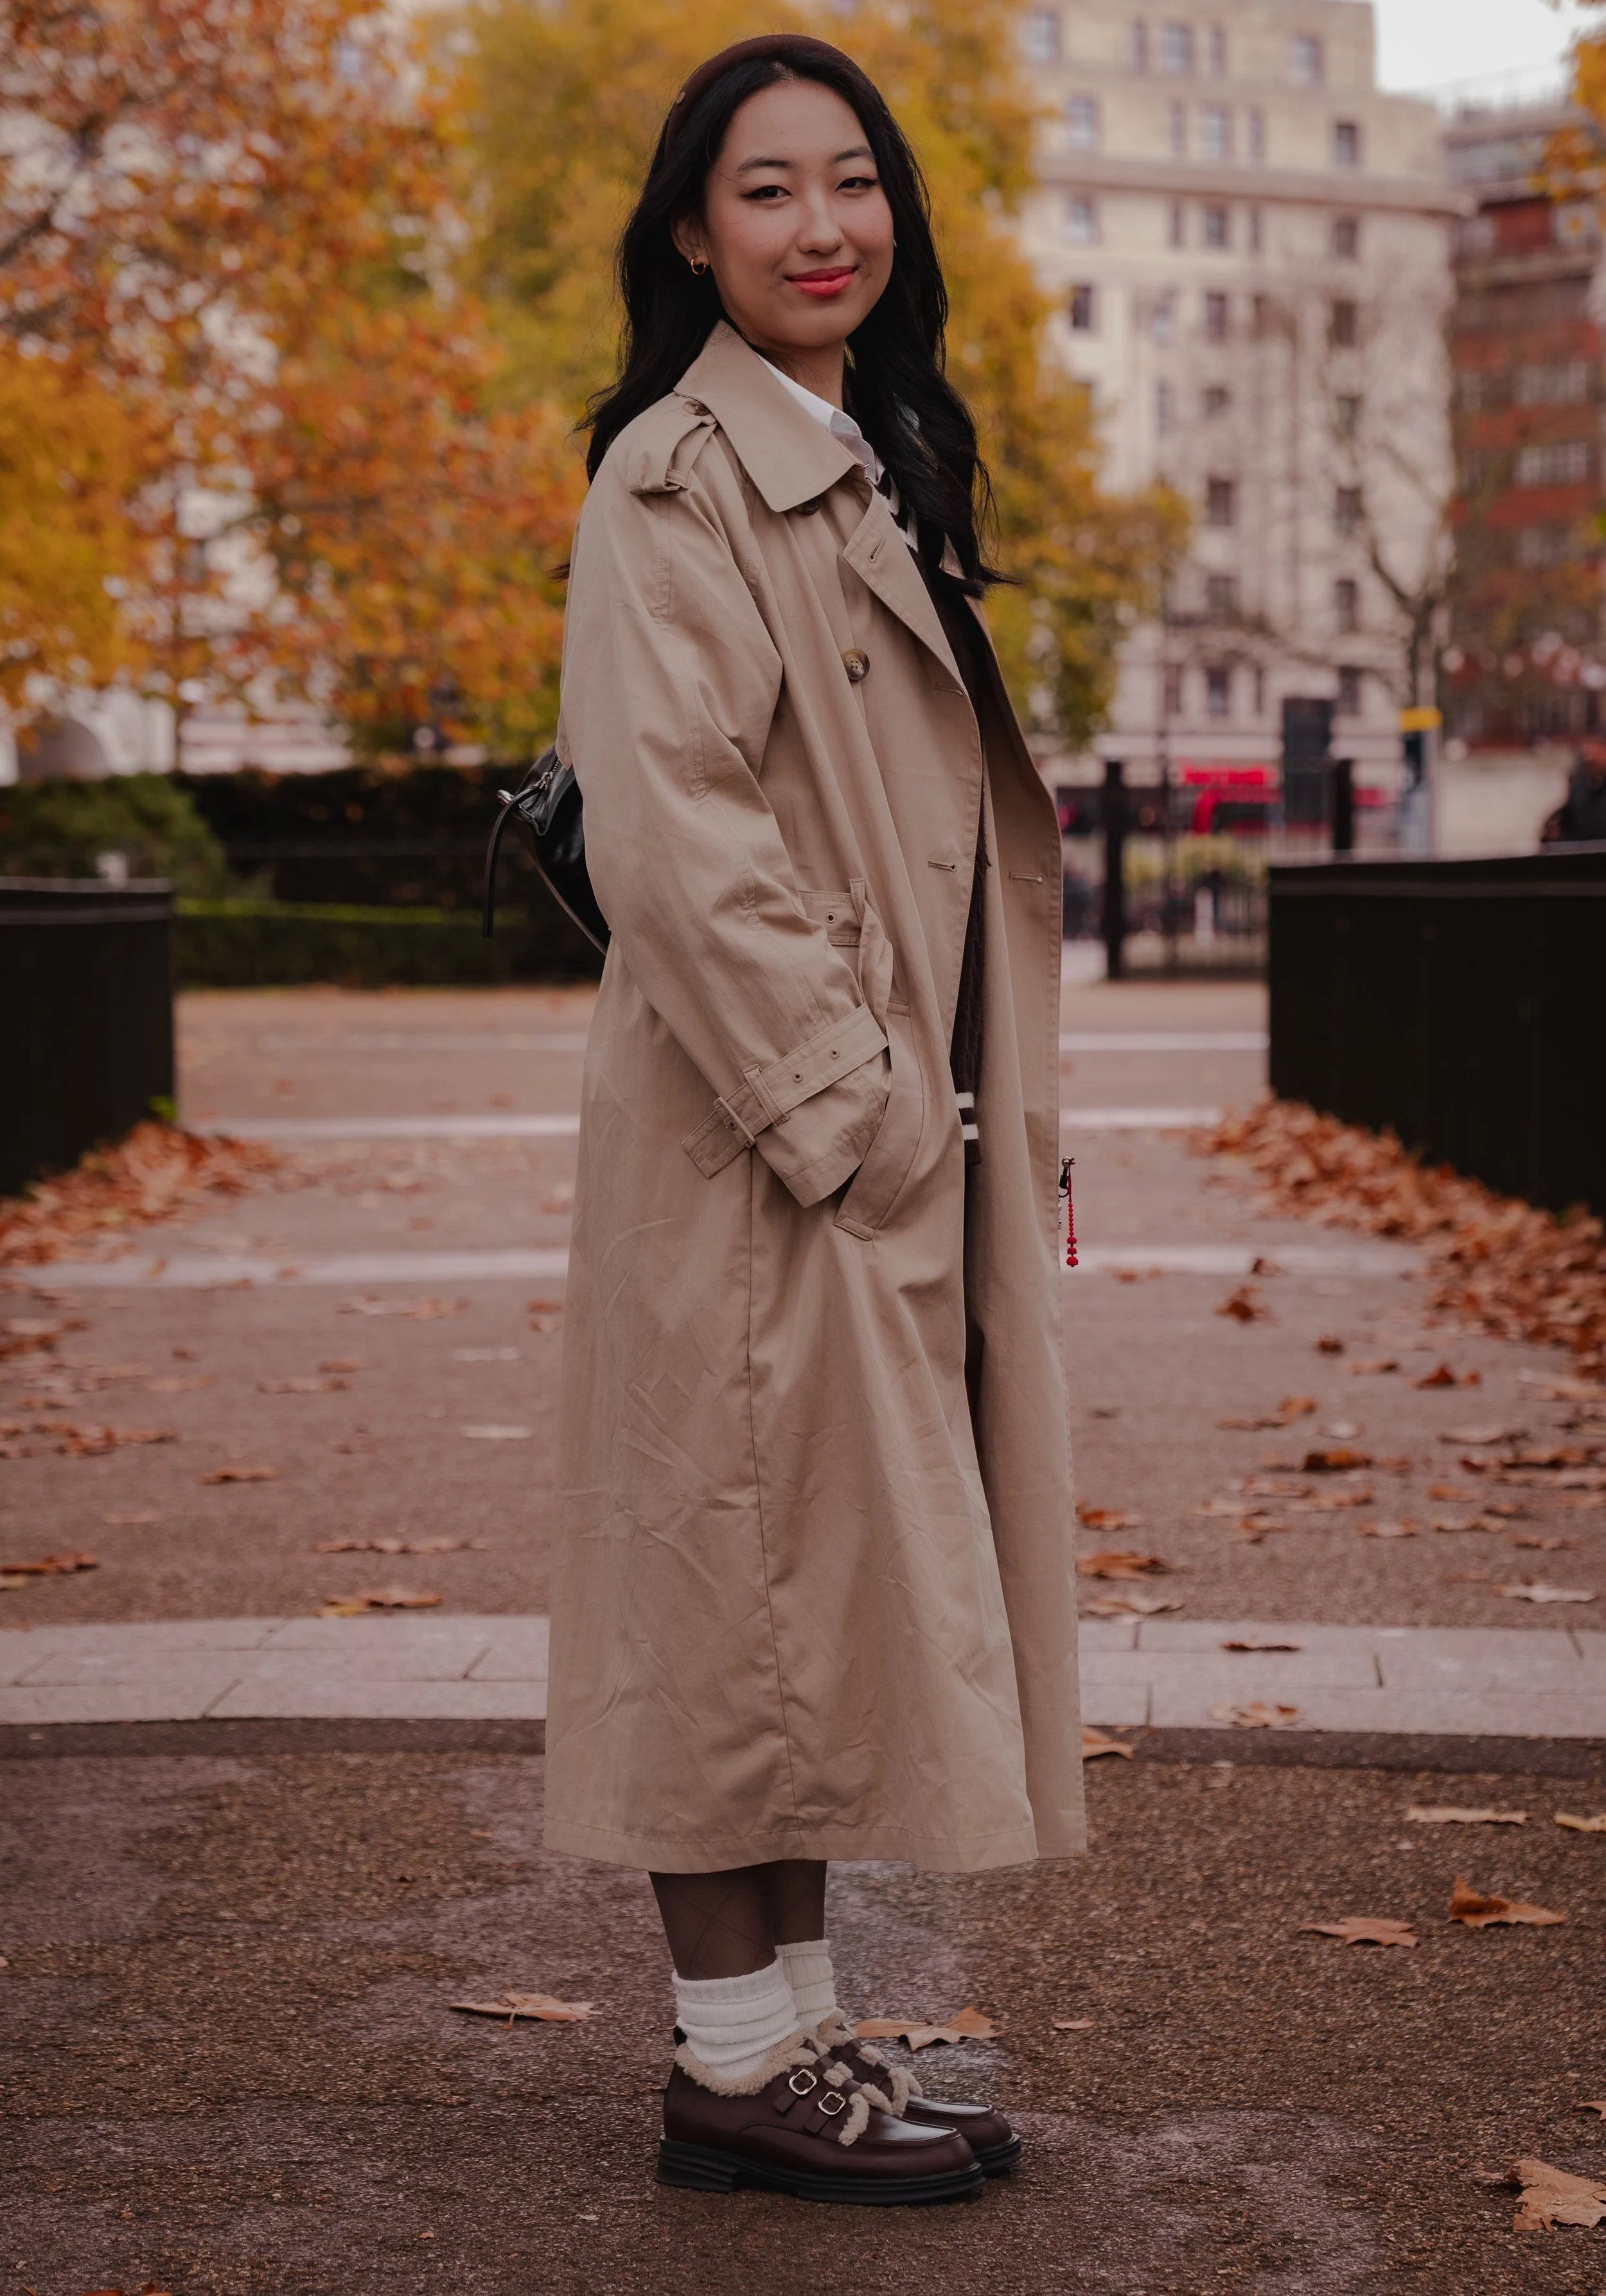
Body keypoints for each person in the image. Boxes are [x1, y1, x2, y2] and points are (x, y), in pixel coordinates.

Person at [546, 33, 1082, 2205]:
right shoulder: (680, 477)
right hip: (768, 1136)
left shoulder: (860, 450)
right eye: (765, 191)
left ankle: (788, 2038)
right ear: (692, 232)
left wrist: (975, 1119)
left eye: (850, 182)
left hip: (858, 1129)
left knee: (798, 1584)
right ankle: (737, 2065)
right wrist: (856, 1115)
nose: (820, 225)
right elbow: (682, 840)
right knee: (734, 1588)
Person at [1541, 735, 1606, 846]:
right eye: (1588, 754)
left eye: (1597, 753)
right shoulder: (1578, 786)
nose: (1591, 758)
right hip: (1582, 854)